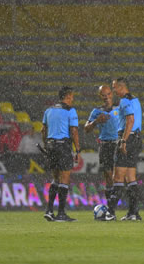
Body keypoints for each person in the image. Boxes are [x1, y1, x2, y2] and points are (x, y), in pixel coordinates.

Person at [41, 86, 81, 222]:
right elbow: (74, 131)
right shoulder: (70, 111)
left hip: (51, 146)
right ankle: (61, 213)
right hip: (63, 146)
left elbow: (43, 130)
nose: (73, 99)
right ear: (68, 96)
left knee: (55, 179)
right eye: (72, 97)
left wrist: (46, 145)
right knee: (64, 179)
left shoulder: (49, 110)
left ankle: (49, 210)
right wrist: (78, 150)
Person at [106, 78, 143, 221]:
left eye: (114, 88)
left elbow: (130, 120)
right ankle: (134, 213)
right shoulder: (136, 100)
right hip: (137, 138)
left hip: (128, 138)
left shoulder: (124, 101)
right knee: (131, 177)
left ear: (121, 87)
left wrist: (123, 140)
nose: (113, 91)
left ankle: (110, 212)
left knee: (118, 176)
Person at [84, 84, 121, 207]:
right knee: (108, 178)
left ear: (112, 94)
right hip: (105, 146)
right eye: (103, 95)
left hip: (117, 144)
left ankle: (129, 209)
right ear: (100, 96)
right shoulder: (96, 111)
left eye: (108, 94)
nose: (106, 97)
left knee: (119, 177)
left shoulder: (119, 109)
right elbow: (86, 129)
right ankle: (111, 208)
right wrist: (96, 121)